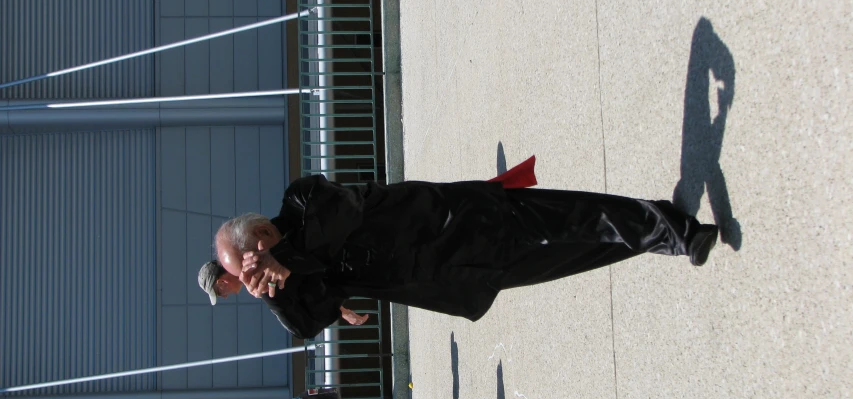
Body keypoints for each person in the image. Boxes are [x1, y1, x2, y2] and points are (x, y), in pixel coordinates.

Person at [209, 156, 717, 339]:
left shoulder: (303, 199)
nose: (253, 271)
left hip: (461, 217)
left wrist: (284, 261)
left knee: (572, 215)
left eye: (247, 262)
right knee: (570, 256)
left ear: (256, 237)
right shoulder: (293, 277)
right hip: (457, 272)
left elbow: (340, 218)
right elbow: (306, 322)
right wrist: (273, 292)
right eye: (245, 274)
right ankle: (656, 229)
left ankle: (676, 231)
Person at [196, 260, 369, 331]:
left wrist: (340, 312)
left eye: (219, 293)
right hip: (341, 267)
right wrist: (342, 311)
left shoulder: (261, 283)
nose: (225, 297)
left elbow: (301, 324)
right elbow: (305, 289)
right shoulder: (255, 263)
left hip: (342, 270)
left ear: (221, 283)